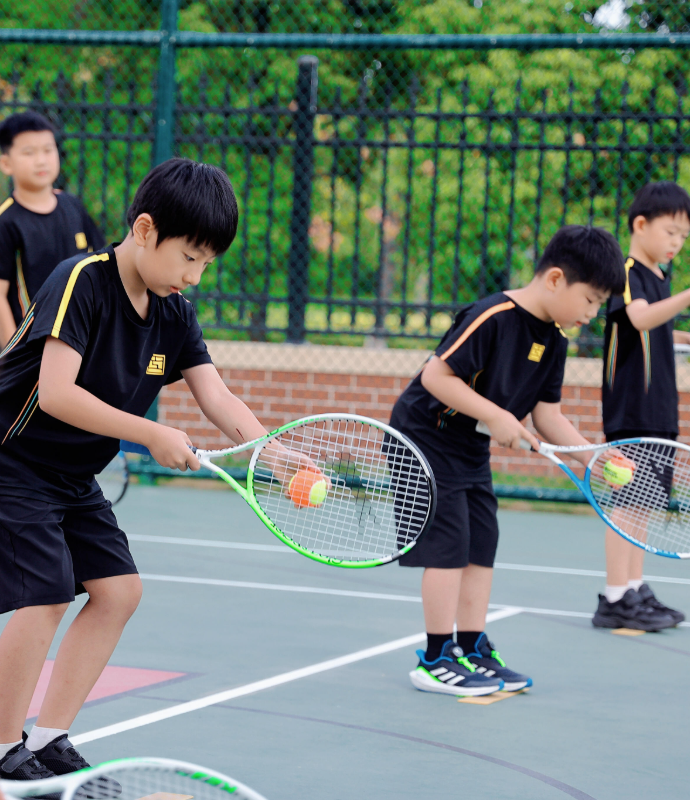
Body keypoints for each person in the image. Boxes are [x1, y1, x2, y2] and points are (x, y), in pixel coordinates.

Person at [0, 158, 288, 782]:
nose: (197, 275)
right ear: (145, 230)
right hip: (12, 461)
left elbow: (216, 398)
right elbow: (55, 393)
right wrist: (151, 432)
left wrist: (272, 448)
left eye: (208, 263)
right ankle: (2, 748)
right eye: (191, 257)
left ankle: (49, 740)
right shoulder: (82, 280)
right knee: (47, 593)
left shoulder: (174, 312)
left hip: (71, 476)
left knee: (119, 591)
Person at [389, 226, 626, 697]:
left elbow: (548, 417)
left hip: (468, 447)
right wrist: (496, 415)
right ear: (556, 279)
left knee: (483, 541)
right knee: (450, 546)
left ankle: (472, 646)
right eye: (592, 300)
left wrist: (590, 457)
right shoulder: (493, 315)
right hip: (424, 437)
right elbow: (436, 376)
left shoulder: (554, 341)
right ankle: (436, 658)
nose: (592, 314)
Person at [595, 182, 690, 631]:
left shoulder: (658, 280)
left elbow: (656, 332)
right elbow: (638, 319)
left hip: (658, 411)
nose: (677, 243)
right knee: (629, 502)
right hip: (631, 410)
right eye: (671, 232)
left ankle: (633, 587)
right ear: (640, 225)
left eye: (683, 237)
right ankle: (614, 597)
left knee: (646, 503)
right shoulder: (627, 272)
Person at [0, 111, 104, 347]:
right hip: (31, 347)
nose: (41, 160)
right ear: (6, 164)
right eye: (29, 152)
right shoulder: (6, 221)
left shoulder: (74, 207)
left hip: (80, 339)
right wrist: (12, 355)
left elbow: (101, 265)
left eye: (48, 150)